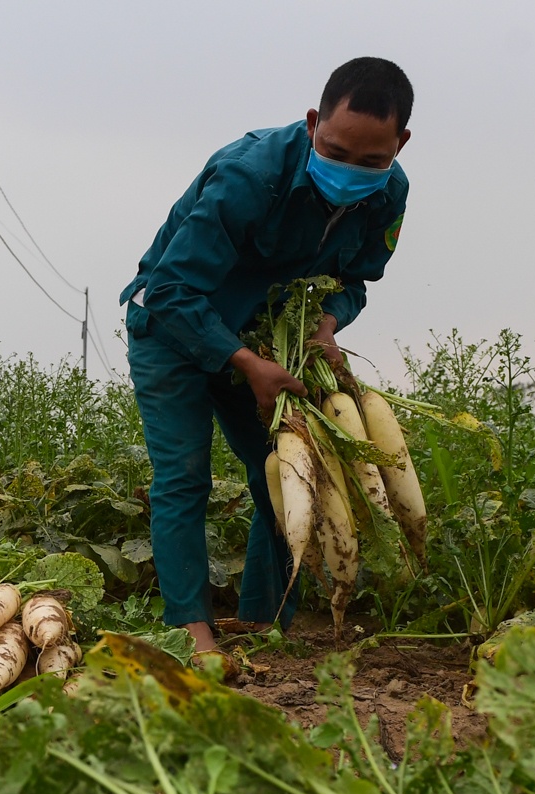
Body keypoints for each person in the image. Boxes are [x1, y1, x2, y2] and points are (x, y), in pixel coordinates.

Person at [120, 57, 413, 667]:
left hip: (256, 340)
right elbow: (173, 289)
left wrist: (330, 322)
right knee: (184, 478)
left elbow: (354, 281)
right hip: (171, 329)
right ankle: (191, 630)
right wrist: (247, 364)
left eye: (371, 162)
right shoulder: (251, 175)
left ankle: (266, 614)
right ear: (313, 123)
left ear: (399, 145)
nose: (351, 172)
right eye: (335, 151)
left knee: (284, 471)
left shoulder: (389, 194)